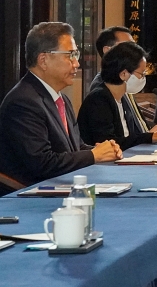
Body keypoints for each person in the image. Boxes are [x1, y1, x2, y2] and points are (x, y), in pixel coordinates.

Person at [0, 22, 121, 194]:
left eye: (76, 55)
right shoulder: (23, 101)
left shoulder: (61, 98)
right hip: (32, 196)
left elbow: (74, 148)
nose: (76, 63)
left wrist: (103, 149)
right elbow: (43, 163)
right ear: (43, 60)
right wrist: (94, 155)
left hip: (63, 187)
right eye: (70, 55)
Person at [78, 42, 157, 150]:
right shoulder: (99, 99)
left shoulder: (123, 97)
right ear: (123, 74)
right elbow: (107, 142)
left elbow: (128, 137)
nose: (143, 78)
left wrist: (150, 133)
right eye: (141, 74)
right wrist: (148, 137)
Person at [88, 26, 134, 93]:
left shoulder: (122, 81)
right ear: (107, 51)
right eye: (128, 46)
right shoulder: (101, 88)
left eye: (134, 46)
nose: (134, 51)